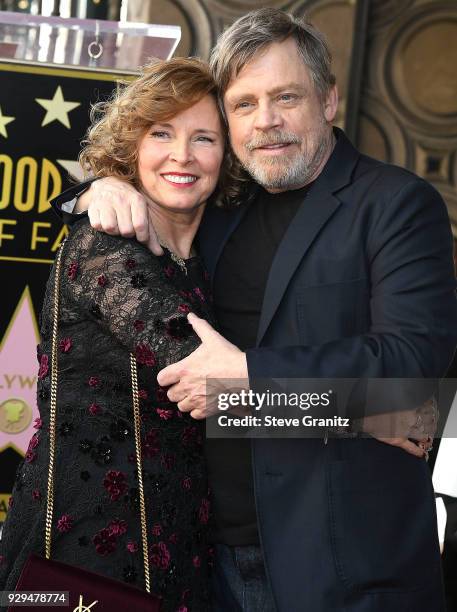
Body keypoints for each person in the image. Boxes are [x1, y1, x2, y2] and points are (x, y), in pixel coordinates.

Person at [50, 9, 457, 612]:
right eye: (243, 104)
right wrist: (93, 188)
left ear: (329, 100)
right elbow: (157, 180)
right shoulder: (219, 209)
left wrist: (249, 383)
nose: (266, 121)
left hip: (341, 567)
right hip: (201, 560)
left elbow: (409, 377)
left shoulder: (396, 204)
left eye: (286, 97)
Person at [0, 57, 229, 612]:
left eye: (205, 137)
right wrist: (381, 414)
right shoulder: (105, 248)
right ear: (131, 144)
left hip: (181, 552)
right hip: (85, 555)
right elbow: (220, 383)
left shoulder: (209, 254)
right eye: (162, 133)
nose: (182, 155)